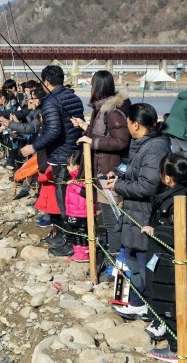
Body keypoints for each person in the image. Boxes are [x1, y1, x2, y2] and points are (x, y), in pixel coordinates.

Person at [142, 154, 187, 361]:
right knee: (186, 304)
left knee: (169, 305)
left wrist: (154, 231)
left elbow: (184, 233)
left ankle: (177, 348)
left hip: (175, 260)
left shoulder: (178, 201)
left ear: (167, 178)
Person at [104, 103, 170, 320]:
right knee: (132, 256)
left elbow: (147, 186)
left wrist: (118, 187)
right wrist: (119, 176)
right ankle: (135, 301)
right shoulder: (143, 143)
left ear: (135, 124)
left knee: (143, 262)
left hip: (145, 213)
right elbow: (135, 171)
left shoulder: (155, 147)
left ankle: (148, 307)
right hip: (135, 211)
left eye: (128, 123)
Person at [20, 65, 84, 248]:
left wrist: (34, 146)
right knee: (72, 198)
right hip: (75, 154)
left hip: (61, 155)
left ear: (46, 82)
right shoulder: (74, 97)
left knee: (63, 199)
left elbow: (54, 131)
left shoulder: (50, 102)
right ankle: (66, 236)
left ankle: (67, 240)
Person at [73, 70, 132, 255]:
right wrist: (84, 127)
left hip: (108, 171)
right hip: (101, 168)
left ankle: (115, 256)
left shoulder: (112, 111)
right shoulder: (102, 108)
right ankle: (112, 250)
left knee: (111, 217)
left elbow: (121, 141)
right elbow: (103, 132)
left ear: (96, 87)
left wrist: (92, 142)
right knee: (108, 216)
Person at [49, 150, 91, 261]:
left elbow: (86, 192)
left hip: (81, 212)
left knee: (82, 234)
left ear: (77, 166)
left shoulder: (83, 179)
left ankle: (83, 253)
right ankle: (77, 252)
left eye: (69, 165)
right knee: (76, 232)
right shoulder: (73, 178)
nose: (67, 168)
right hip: (73, 211)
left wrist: (74, 185)